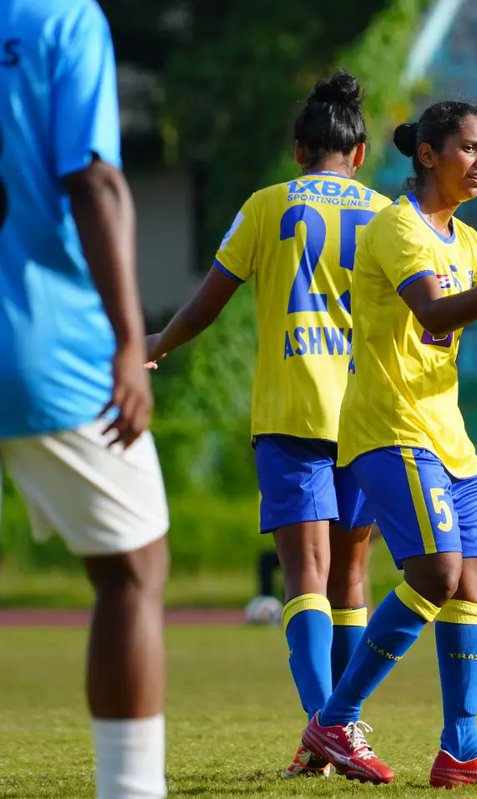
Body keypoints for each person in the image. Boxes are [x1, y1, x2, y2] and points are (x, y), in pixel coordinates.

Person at [299, 100, 477, 787]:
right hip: (390, 428)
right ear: (428, 155)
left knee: (475, 582)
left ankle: (461, 746)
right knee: (435, 572)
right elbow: (430, 308)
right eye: (469, 148)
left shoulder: (467, 240)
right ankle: (337, 718)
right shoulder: (398, 227)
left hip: (448, 438)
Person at [145, 71, 386, 778]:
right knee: (352, 579)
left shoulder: (265, 207)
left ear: (297, 149)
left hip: (291, 411)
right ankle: (339, 731)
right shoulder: (383, 214)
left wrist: (157, 345)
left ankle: (327, 729)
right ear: (361, 152)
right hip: (366, 414)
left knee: (303, 578)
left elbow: (206, 303)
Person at [0, 1, 169, 797]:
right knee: (133, 569)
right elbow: (95, 178)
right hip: (40, 338)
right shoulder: (62, 17)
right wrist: (129, 339)